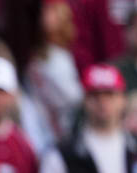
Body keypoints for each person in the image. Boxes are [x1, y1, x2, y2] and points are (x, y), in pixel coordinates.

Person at [26, 0, 83, 142]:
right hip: (40, 124)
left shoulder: (68, 53)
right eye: (44, 11)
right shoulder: (38, 53)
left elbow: (75, 97)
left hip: (66, 124)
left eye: (50, 11)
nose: (44, 16)